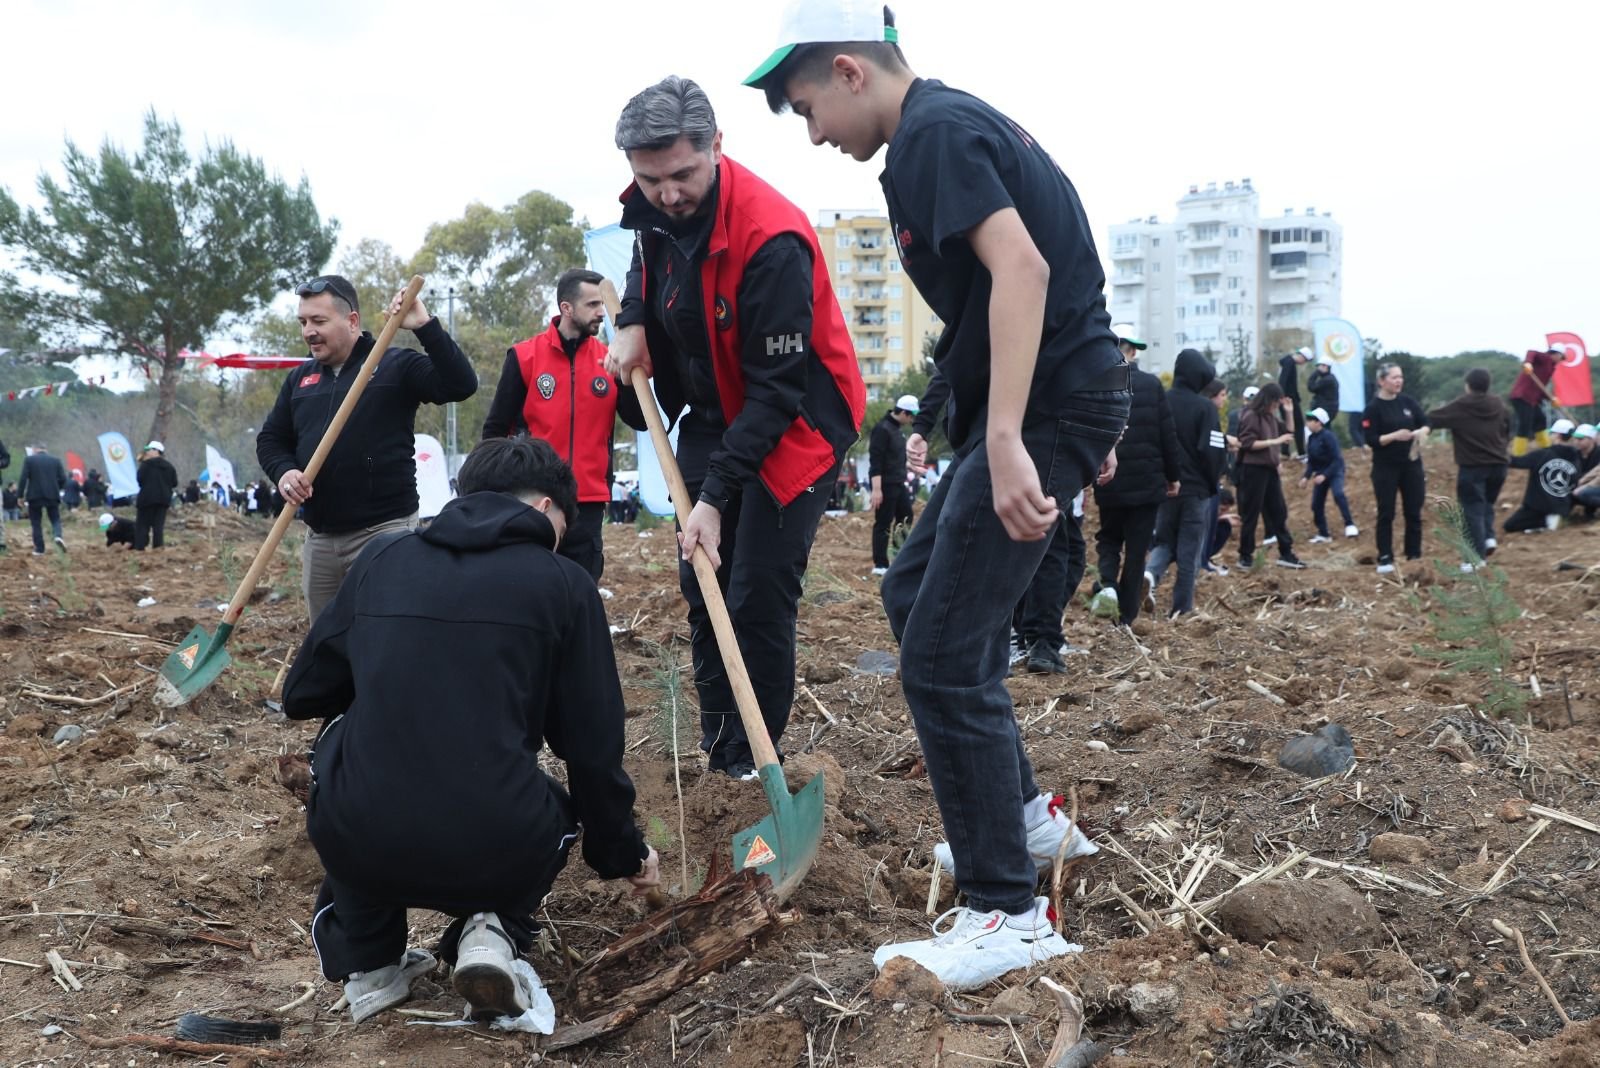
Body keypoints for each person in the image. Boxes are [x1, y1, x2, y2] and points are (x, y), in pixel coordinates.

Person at [748, 6, 1123, 988]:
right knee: (915, 591)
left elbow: (1024, 270)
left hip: (1043, 409)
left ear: (847, 71)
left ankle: (1007, 911)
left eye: (805, 108)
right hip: (1055, 398)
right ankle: (1026, 820)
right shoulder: (943, 129)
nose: (813, 133)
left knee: (944, 659)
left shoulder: (933, 138)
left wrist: (1004, 438)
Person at [283, 436, 659, 1024]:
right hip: (496, 843)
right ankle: (492, 929)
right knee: (550, 804)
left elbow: (304, 694)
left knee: (345, 759)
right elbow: (593, 750)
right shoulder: (564, 586)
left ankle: (370, 964)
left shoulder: (383, 560)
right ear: (542, 510)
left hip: (360, 835)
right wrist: (624, 853)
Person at [605, 76, 866, 780]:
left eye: (683, 175)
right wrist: (632, 319)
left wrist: (717, 500)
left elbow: (776, 393)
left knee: (754, 594)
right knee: (703, 585)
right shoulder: (652, 208)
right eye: (651, 179)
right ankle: (725, 756)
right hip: (713, 409)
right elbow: (641, 257)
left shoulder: (772, 238)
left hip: (796, 418)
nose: (668, 195)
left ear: (717, 147)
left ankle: (755, 761)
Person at [257, 276, 478, 621]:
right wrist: (285, 472)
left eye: (319, 321)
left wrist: (424, 326)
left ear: (352, 321)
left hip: (383, 533)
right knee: (326, 644)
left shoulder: (394, 365)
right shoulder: (301, 380)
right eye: (303, 322)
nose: (308, 332)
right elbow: (271, 439)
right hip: (321, 539)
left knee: (385, 637)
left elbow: (461, 384)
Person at [481, 268, 628, 582]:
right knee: (532, 586)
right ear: (566, 308)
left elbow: (640, 422)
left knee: (582, 588)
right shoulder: (524, 357)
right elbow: (494, 431)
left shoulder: (609, 359)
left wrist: (626, 374)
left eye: (602, 304)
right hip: (536, 499)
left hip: (588, 502)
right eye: (592, 305)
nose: (601, 312)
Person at [1094, 333, 1180, 625]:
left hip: (1110, 480)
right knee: (1136, 550)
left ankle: (1106, 584)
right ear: (1130, 351)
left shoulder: (1098, 382)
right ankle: (1126, 617)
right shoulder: (1151, 385)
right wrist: (1173, 476)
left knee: (1109, 537)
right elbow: (1167, 435)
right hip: (1147, 485)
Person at [1145, 347, 1226, 618]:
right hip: (1195, 490)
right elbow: (1212, 451)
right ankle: (1181, 610)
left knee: (1164, 541)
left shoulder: (1162, 401)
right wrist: (1213, 483)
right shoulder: (1205, 408)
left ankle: (1150, 574)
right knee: (1189, 552)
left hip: (1164, 487)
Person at [1426, 368, 1510, 560]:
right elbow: (1508, 429)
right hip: (1499, 465)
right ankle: (1488, 538)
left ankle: (1475, 558)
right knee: (1486, 503)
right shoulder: (1499, 404)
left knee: (1472, 510)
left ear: (1468, 386)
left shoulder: (1462, 405)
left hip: (1473, 467)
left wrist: (1421, 425)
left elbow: (1432, 418)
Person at [1360, 363, 1429, 574]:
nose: (1398, 381)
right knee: (1386, 512)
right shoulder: (1373, 408)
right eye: (1393, 378)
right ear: (1381, 381)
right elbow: (1371, 439)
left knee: (1414, 511)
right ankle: (1385, 556)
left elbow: (1426, 422)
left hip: (1411, 464)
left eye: (1400, 377)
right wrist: (1394, 436)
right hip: (1385, 467)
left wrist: (1421, 432)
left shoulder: (1408, 402)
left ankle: (1414, 554)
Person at [1235, 384, 1305, 569]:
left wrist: (1289, 412)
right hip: (1253, 469)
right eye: (1275, 403)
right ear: (1268, 400)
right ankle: (1245, 555)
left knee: (1278, 511)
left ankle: (1286, 552)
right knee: (1251, 513)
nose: (1276, 407)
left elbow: (1288, 432)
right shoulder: (1251, 416)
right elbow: (1247, 443)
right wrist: (1274, 442)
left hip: (1269, 469)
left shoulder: (1270, 417)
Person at [869, 394, 919, 574]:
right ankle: (880, 564)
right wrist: (876, 490)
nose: (912, 420)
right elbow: (876, 462)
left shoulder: (896, 430)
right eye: (912, 415)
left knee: (906, 516)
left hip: (898, 484)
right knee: (883, 523)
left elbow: (894, 458)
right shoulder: (882, 429)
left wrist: (912, 467)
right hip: (885, 485)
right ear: (904, 412)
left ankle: (899, 554)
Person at [1504, 419, 1581, 533]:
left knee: (1509, 526)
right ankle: (1552, 520)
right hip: (1563, 505)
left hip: (1538, 506)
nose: (1550, 436)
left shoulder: (1542, 454)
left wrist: (1497, 451)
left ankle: (1544, 522)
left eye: (1552, 433)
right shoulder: (1577, 457)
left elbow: (1516, 462)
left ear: (1558, 436)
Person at [1299, 409, 1357, 543]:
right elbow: (1312, 461)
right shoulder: (1311, 438)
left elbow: (1337, 459)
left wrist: (1325, 475)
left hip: (1334, 471)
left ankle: (1350, 524)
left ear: (1318, 422)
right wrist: (1306, 477)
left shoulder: (1329, 436)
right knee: (1316, 504)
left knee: (1338, 494)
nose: (1307, 423)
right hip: (1321, 473)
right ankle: (1323, 533)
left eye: (1310, 420)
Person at [1508, 348, 1559, 456]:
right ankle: (1518, 454)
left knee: (1541, 420)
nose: (1561, 360)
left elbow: (1540, 388)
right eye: (1561, 357)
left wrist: (1551, 399)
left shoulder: (1551, 368)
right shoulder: (1545, 358)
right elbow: (1532, 352)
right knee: (1525, 424)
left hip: (1533, 399)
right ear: (1555, 354)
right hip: (1522, 396)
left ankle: (1546, 448)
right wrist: (1528, 363)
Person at [19, 444, 68, 555]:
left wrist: (20, 496)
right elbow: (63, 479)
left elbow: (23, 478)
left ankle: (39, 549)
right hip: (52, 494)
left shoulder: (29, 460)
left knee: (36, 522)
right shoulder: (56, 460)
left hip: (34, 495)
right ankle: (57, 536)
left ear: (35, 449)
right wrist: (56, 488)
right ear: (46, 449)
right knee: (55, 519)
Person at [133, 440, 178, 550]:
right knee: (158, 526)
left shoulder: (145, 465)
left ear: (156, 451)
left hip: (146, 499)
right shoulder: (169, 467)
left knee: (143, 525)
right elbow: (174, 483)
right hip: (163, 500)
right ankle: (158, 547)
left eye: (149, 449)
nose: (147, 452)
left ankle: (140, 547)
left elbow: (140, 480)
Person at [1278, 346, 1311, 456]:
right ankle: (1300, 452)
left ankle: (1285, 451)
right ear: (1301, 356)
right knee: (1298, 425)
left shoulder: (1289, 363)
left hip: (1287, 399)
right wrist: (1282, 397)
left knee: (1288, 425)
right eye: (1305, 360)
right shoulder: (1290, 363)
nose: (1303, 363)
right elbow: (1283, 380)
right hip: (1288, 400)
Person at [1305, 358, 1341, 440]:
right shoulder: (1329, 379)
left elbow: (1311, 387)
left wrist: (1315, 374)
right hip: (1327, 408)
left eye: (1319, 366)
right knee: (1325, 428)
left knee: (1323, 428)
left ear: (1326, 367)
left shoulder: (1328, 380)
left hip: (1327, 409)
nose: (1318, 369)